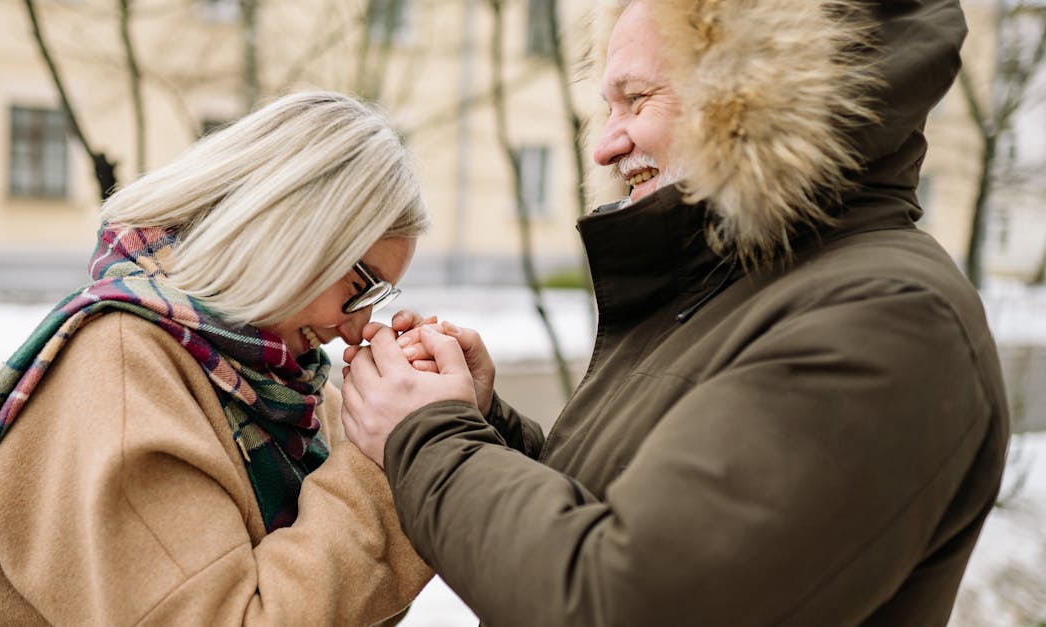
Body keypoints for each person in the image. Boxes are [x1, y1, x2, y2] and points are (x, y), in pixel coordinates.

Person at [339, 1, 1010, 625]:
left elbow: (627, 599)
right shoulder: (735, 287)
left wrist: (426, 435)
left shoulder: (889, 317)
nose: (604, 145)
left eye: (635, 100)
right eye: (608, 106)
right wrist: (481, 422)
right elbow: (613, 510)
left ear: (755, 93)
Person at [0, 91, 432, 626]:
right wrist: (381, 459)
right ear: (291, 231)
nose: (355, 328)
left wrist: (428, 425)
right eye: (361, 287)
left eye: (379, 300)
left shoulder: (284, 383)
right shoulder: (121, 372)